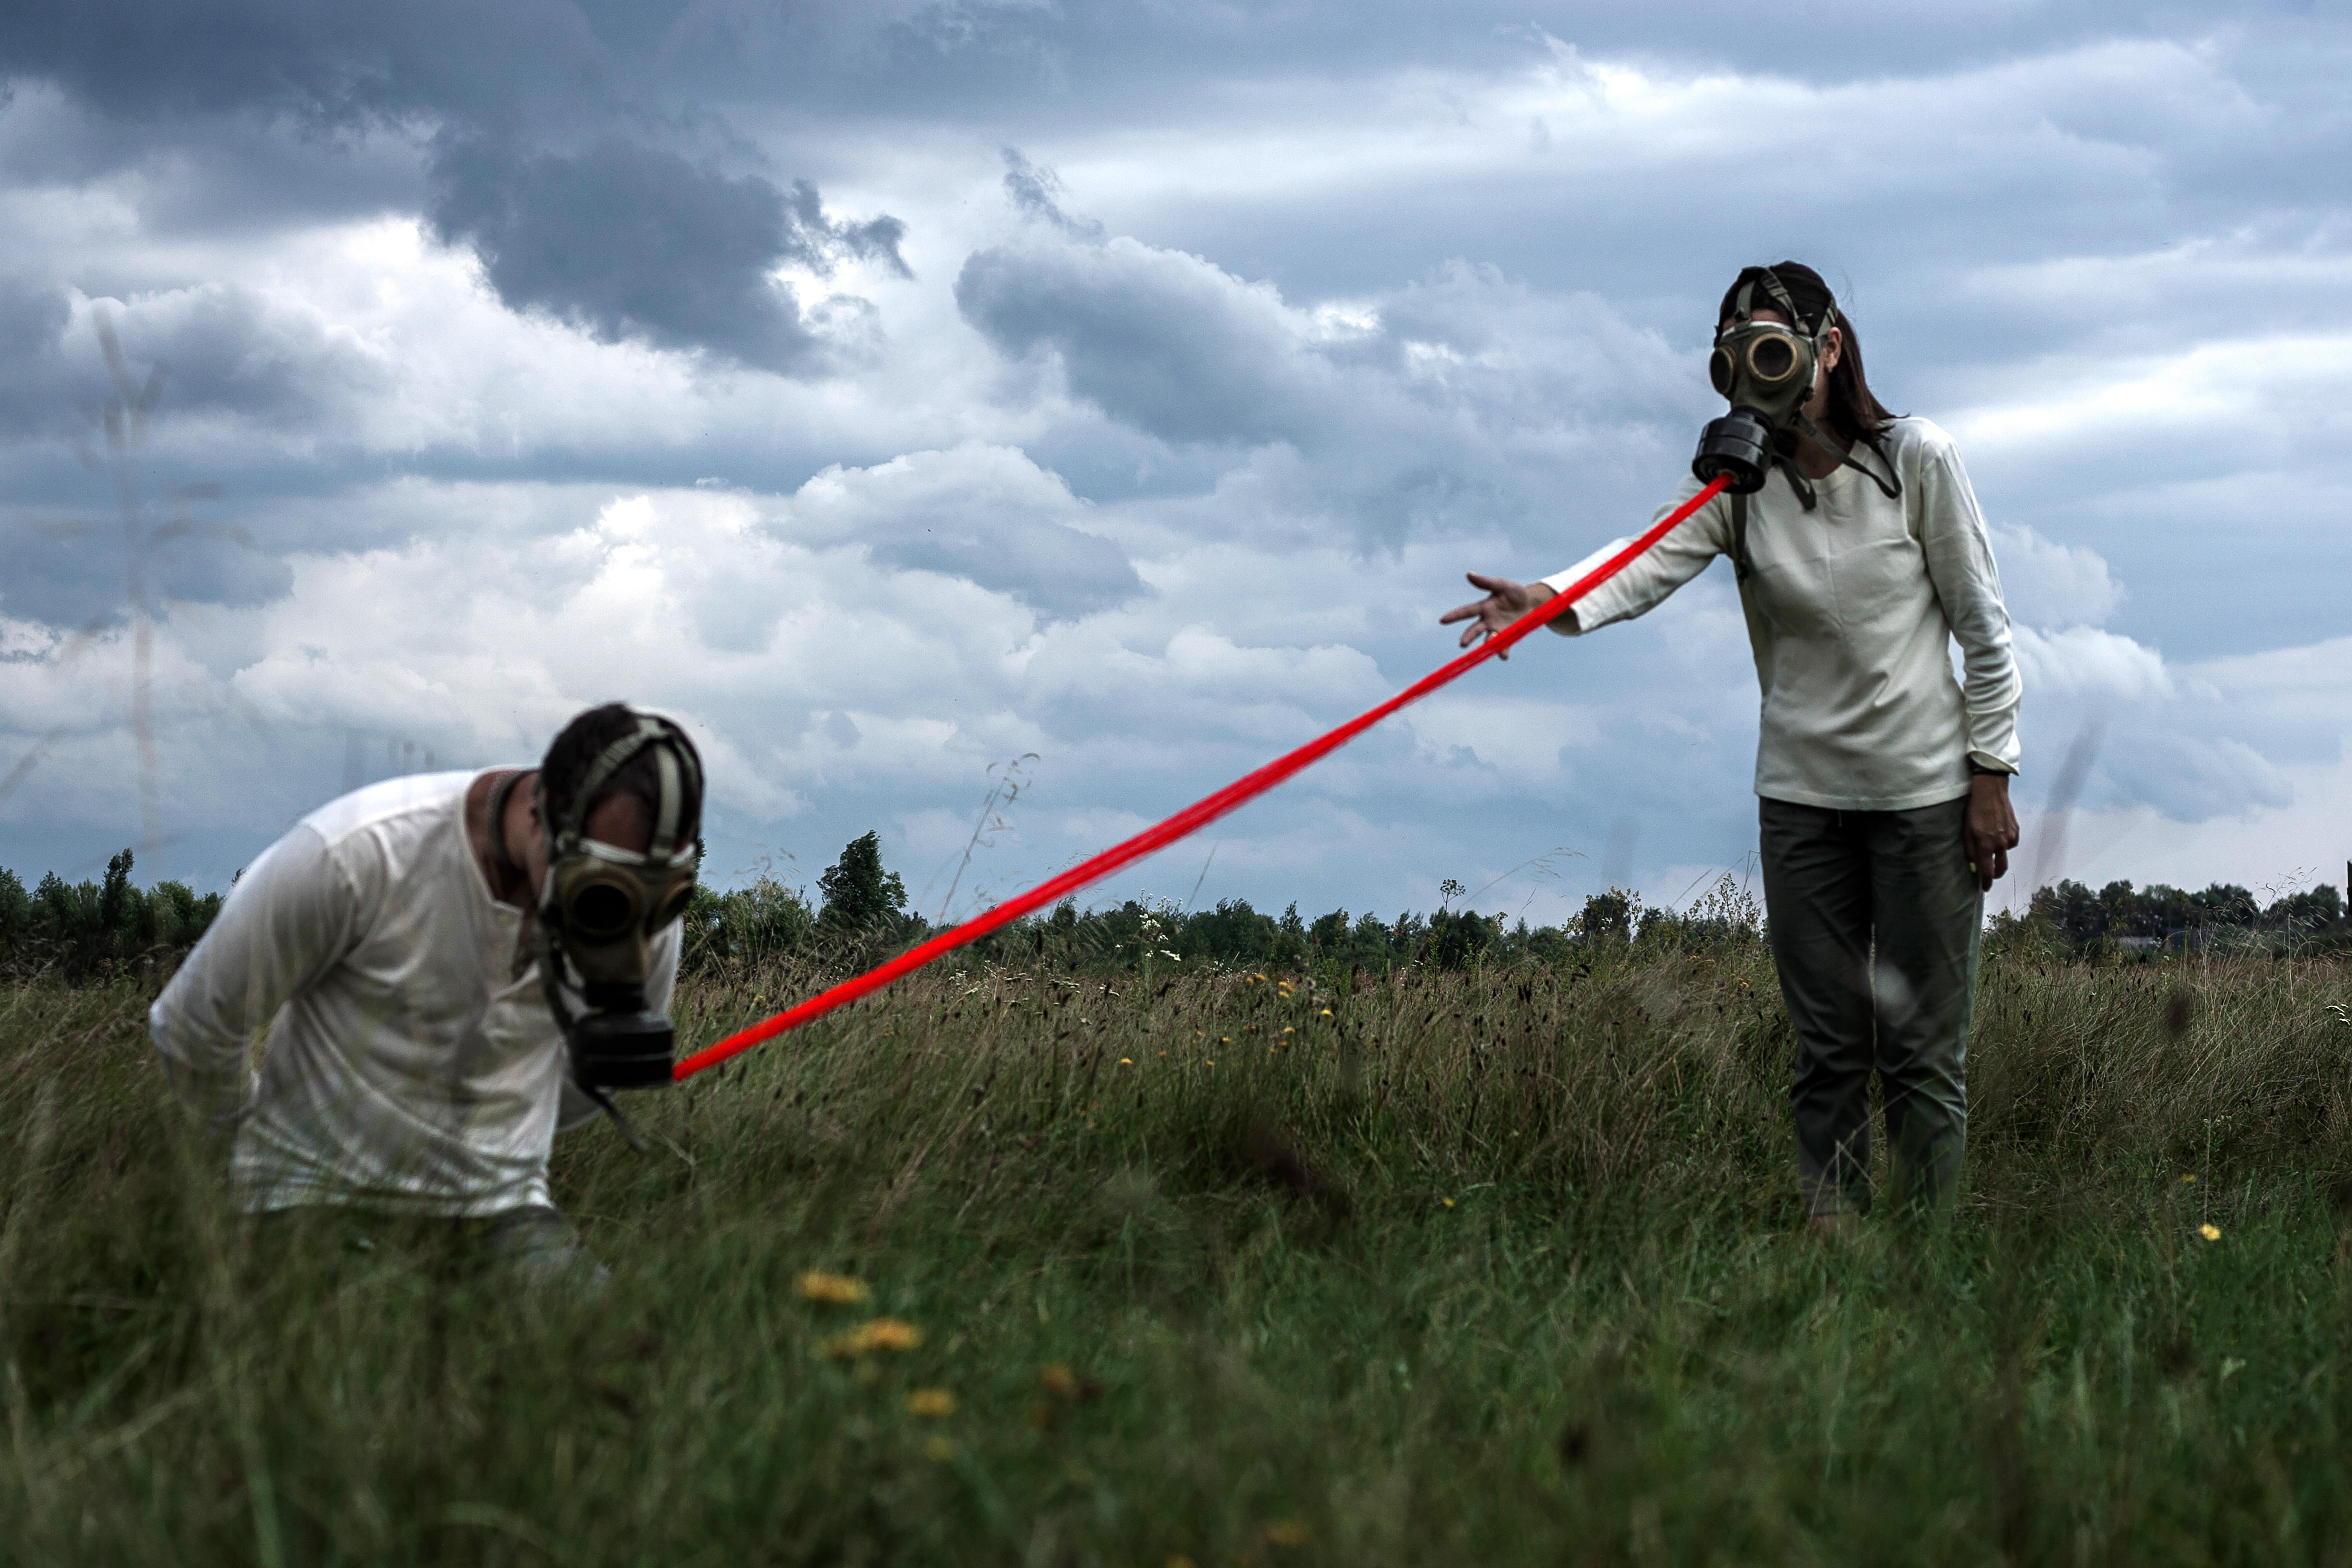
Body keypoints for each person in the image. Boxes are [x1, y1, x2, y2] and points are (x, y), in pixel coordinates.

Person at [1441, 262, 2021, 1226]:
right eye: (1736, 354)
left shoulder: (1917, 459)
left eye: (1773, 347)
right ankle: (1835, 1249)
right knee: (1829, 1048)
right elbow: (1641, 561)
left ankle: (1922, 1258)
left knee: (1921, 1052)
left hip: (1924, 802)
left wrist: (1991, 774)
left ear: (1828, 347)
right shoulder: (1736, 482)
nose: (1757, 370)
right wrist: (1543, 600)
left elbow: (1986, 631)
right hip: (1802, 805)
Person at [149, 702, 704, 1284]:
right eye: (602, 896)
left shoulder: (646, 913)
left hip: (505, 1212)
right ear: (542, 814)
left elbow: (591, 1079)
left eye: (659, 902)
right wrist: (254, 1146)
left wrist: (507, 1142)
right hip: (313, 1200)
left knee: (613, 1333)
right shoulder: (358, 852)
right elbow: (194, 1023)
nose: (627, 930)